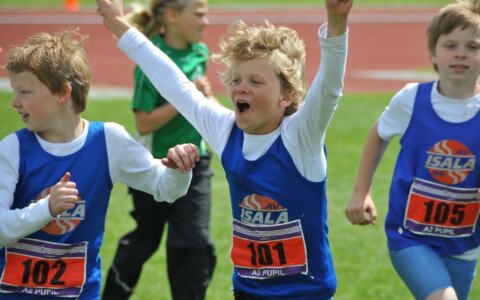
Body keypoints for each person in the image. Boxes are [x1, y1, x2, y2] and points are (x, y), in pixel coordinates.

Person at [96, 0, 352, 298]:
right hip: (247, 292)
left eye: (256, 81)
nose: (241, 88)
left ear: (287, 96)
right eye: (236, 80)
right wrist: (117, 23)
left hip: (306, 294)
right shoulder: (227, 130)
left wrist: (336, 21)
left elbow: (330, 88)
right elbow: (172, 82)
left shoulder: (301, 137)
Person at [0, 28, 200, 299]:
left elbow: (166, 188)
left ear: (62, 93)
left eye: (24, 91)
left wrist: (178, 168)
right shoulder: (13, 149)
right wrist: (46, 208)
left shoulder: (108, 140)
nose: (14, 102)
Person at [345, 1, 480, 299]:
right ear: (432, 52)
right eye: (450, 45)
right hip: (411, 237)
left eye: (473, 46)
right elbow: (378, 135)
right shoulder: (411, 100)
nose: (461, 53)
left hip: (465, 243)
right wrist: (361, 191)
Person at [102, 0, 217, 299]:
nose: (206, 22)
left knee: (193, 242)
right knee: (145, 241)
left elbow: (199, 106)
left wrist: (203, 100)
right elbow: (144, 123)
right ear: (173, 15)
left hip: (196, 164)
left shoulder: (199, 52)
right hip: (156, 166)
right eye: (200, 15)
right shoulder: (152, 60)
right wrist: (187, 96)